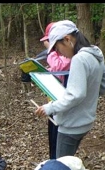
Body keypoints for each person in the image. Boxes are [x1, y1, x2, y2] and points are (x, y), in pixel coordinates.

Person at [33, 20, 105, 157]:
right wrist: (89, 94)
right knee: (68, 162)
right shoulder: (94, 52)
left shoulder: (79, 59)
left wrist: (50, 108)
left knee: (62, 167)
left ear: (67, 39)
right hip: (86, 121)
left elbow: (75, 95)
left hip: (71, 125)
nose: (61, 54)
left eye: (58, 48)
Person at [40, 20, 72, 160]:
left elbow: (60, 67)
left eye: (50, 41)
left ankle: (59, 162)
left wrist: (49, 50)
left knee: (60, 134)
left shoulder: (68, 52)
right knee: (52, 132)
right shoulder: (59, 52)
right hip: (54, 99)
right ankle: (53, 159)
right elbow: (56, 70)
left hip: (63, 102)